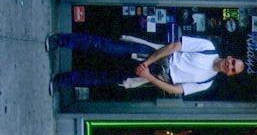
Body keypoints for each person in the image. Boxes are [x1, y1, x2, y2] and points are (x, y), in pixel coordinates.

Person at [47, 33, 244, 96]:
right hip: (151, 55)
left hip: (153, 76)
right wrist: (148, 62)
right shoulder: (208, 47)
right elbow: (174, 46)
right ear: (230, 57)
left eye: (233, 69)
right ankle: (60, 40)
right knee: (104, 46)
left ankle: (61, 81)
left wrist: (149, 76)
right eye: (233, 62)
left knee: (102, 78)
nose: (230, 66)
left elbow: (176, 90)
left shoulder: (206, 82)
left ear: (230, 74)